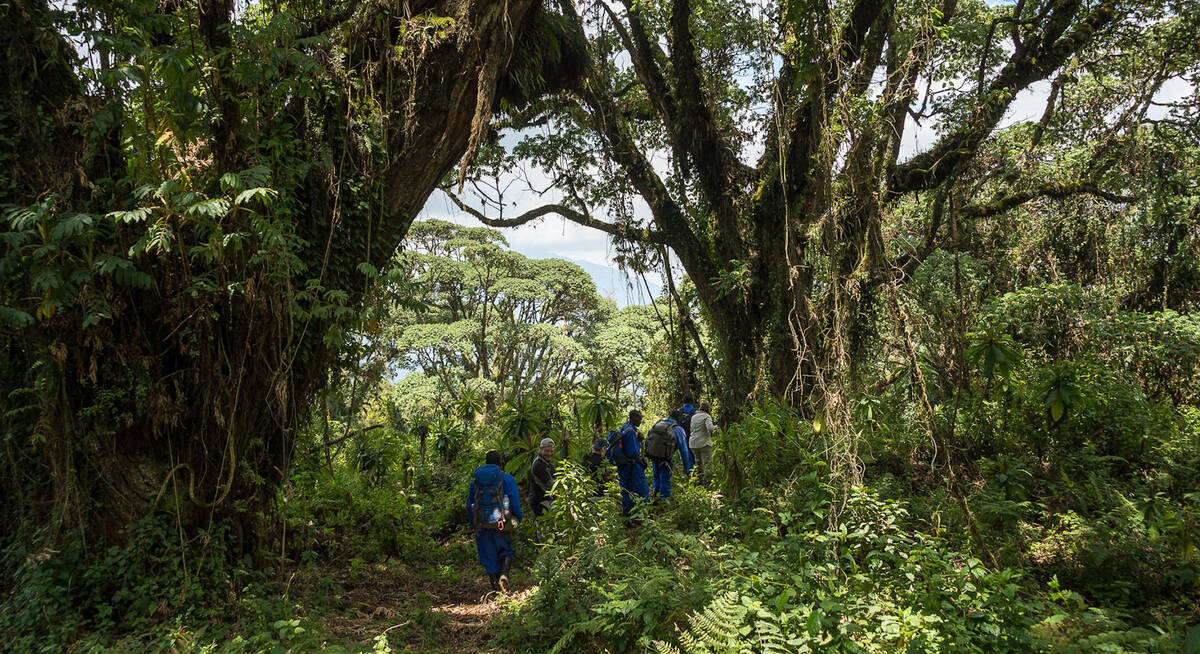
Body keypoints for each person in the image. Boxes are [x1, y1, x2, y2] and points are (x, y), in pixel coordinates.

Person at [467, 450, 523, 591]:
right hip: (501, 522)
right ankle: (503, 575)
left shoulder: (475, 482)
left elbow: (470, 505)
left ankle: (495, 589)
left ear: (486, 462)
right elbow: (514, 502)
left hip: (482, 525)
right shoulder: (506, 479)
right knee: (506, 550)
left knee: (488, 555)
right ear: (500, 462)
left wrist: (474, 523)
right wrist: (517, 518)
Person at [646, 410, 694, 500]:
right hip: (665, 459)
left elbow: (649, 437)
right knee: (665, 479)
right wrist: (686, 469)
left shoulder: (658, 424)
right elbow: (684, 451)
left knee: (656, 476)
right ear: (678, 418)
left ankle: (655, 496)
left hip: (654, 455)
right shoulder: (678, 429)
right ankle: (664, 502)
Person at [612, 410, 650, 515]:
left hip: (624, 465)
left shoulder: (625, 428)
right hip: (631, 465)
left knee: (626, 488)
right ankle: (642, 513)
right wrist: (640, 460)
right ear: (632, 418)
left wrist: (638, 440)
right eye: (638, 418)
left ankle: (627, 511)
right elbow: (631, 452)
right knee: (642, 489)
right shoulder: (630, 431)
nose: (640, 421)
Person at [689, 402, 718, 484]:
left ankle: (699, 482)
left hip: (693, 443)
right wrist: (716, 427)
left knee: (698, 464)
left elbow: (691, 429)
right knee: (707, 464)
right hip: (704, 443)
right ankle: (709, 483)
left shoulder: (694, 417)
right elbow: (710, 428)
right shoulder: (706, 416)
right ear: (708, 409)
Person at [529, 437, 555, 517]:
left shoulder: (546, 461)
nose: (549, 453)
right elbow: (550, 484)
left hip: (546, 500)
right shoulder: (539, 464)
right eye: (547, 451)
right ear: (541, 448)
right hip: (540, 501)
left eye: (551, 451)